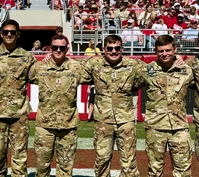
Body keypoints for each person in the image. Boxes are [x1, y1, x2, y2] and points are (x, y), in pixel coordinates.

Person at [0, 19, 36, 177]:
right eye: (6, 32)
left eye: (12, 32)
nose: (9, 35)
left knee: (19, 156)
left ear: (18, 34)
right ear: (1, 34)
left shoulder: (27, 57)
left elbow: (39, 76)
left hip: (19, 115)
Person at [81, 34, 141, 177]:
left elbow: (155, 69)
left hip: (125, 121)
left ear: (122, 49)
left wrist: (176, 59)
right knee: (102, 160)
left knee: (129, 162)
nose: (114, 51)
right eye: (110, 48)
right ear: (103, 49)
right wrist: (49, 58)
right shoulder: (93, 64)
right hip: (103, 121)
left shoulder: (133, 65)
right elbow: (71, 69)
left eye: (117, 48)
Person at [136, 34, 194, 176]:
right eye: (161, 51)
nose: (164, 54)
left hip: (179, 128)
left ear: (175, 50)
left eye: (168, 50)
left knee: (183, 170)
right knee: (155, 170)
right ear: (156, 52)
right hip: (155, 128)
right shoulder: (146, 71)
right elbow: (130, 86)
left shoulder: (186, 70)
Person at [28, 34, 84, 177]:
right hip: (45, 126)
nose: (58, 50)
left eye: (61, 48)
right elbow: (17, 77)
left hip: (68, 126)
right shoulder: (39, 68)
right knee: (42, 167)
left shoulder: (77, 68)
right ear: (50, 48)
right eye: (55, 47)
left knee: (65, 168)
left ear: (67, 49)